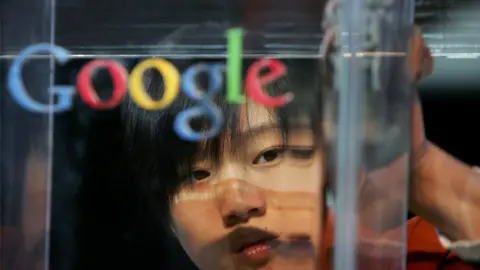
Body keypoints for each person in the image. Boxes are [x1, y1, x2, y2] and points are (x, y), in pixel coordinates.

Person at [117, 28, 480, 270]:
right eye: (196, 175)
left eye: (269, 154)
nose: (240, 204)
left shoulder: (418, 259)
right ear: (162, 211)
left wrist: (416, 167)